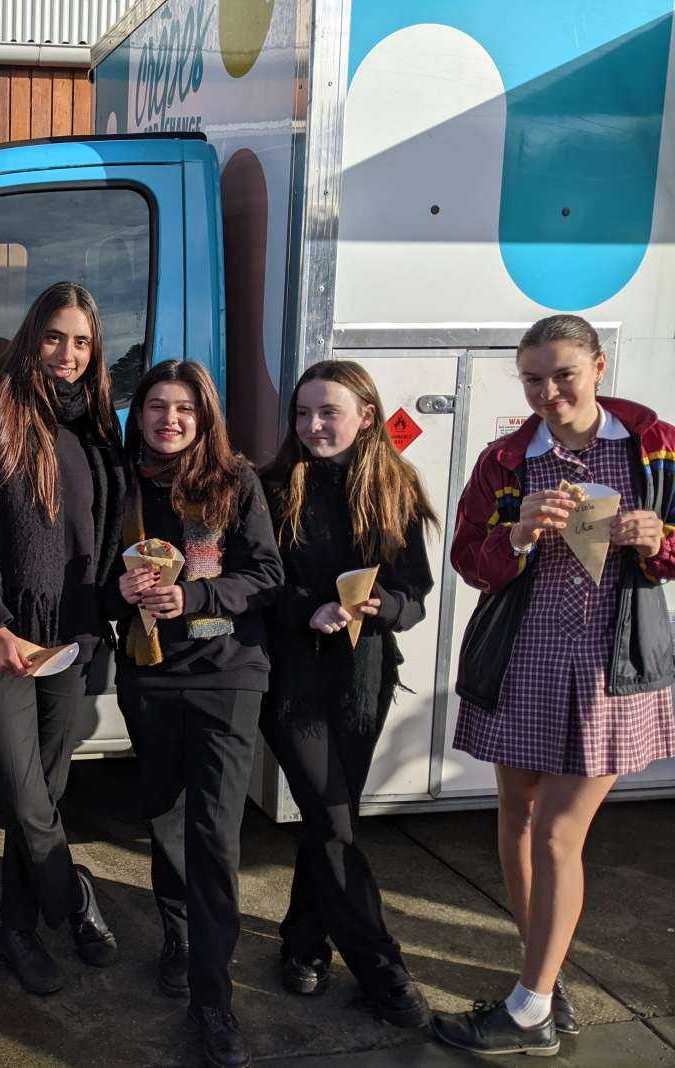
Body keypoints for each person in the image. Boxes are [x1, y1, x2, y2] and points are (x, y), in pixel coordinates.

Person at [433, 315, 675, 1056]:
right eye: (532, 378)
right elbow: (468, 561)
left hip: (611, 660)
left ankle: (531, 1008)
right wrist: (513, 536)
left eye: (563, 374)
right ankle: (543, 971)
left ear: (598, 367)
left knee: (560, 833)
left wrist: (657, 538)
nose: (547, 392)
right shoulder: (507, 460)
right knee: (517, 816)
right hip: (526, 653)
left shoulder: (652, 448)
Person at [0, 281, 127, 996]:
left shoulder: (98, 429)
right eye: (55, 336)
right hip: (1, 640)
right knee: (20, 791)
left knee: (46, 790)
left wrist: (101, 618)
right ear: (31, 336)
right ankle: (71, 896)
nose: (67, 354)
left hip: (71, 637)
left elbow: (106, 541)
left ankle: (14, 929)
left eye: (81, 342)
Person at [105, 359, 282, 1068]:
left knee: (213, 832)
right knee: (165, 817)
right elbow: (96, 583)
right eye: (155, 406)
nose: (168, 419)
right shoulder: (124, 485)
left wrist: (200, 599)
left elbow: (266, 575)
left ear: (204, 417)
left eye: (184, 408)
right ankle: (179, 936)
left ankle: (214, 1000)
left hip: (226, 678)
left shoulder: (236, 484)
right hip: (150, 677)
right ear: (138, 414)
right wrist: (118, 590)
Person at [259, 360, 436, 1029]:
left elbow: (415, 595)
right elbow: (259, 580)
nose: (313, 427)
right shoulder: (273, 486)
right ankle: (383, 970)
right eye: (303, 414)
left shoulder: (395, 488)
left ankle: (304, 943)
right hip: (291, 682)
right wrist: (309, 607)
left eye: (328, 412)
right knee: (332, 821)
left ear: (366, 414)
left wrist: (378, 607)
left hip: (363, 682)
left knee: (329, 820)